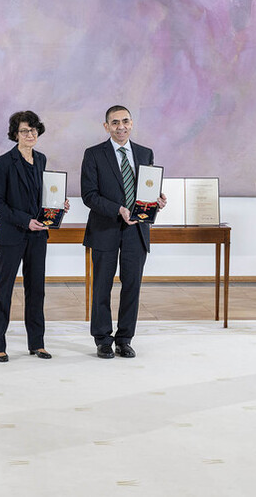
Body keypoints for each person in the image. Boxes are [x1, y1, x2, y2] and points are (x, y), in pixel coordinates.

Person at [81, 105, 166, 359]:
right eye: (115, 122)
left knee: (132, 287)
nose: (121, 127)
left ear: (132, 123)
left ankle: (124, 339)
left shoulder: (144, 153)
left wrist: (157, 201)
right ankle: (103, 340)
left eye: (125, 121)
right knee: (102, 287)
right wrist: (118, 209)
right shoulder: (94, 154)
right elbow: (89, 195)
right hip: (104, 228)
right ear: (106, 126)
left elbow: (147, 190)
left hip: (136, 231)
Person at [0, 111, 69, 362]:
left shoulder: (42, 160)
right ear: (15, 134)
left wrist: (58, 206)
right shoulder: (3, 163)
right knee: (4, 289)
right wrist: (25, 221)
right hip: (12, 235)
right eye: (25, 130)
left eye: (34, 130)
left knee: (37, 290)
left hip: (38, 236)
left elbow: (43, 198)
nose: (30, 134)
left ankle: (37, 343)